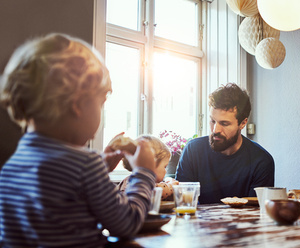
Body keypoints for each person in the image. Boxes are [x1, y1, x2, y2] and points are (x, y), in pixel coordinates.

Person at [0, 33, 161, 247]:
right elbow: (127, 223)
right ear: (77, 105)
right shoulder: (85, 164)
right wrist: (144, 173)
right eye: (101, 102)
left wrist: (101, 168)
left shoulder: (13, 165)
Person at [175, 83, 275, 204]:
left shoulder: (261, 161)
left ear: (243, 123)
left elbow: (256, 213)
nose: (215, 130)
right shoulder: (193, 151)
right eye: (212, 121)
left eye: (224, 123)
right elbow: (182, 203)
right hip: (197, 223)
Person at [118, 135, 179, 200]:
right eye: (165, 167)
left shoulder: (151, 183)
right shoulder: (131, 182)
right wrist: (170, 187)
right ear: (150, 165)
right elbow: (150, 191)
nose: (165, 171)